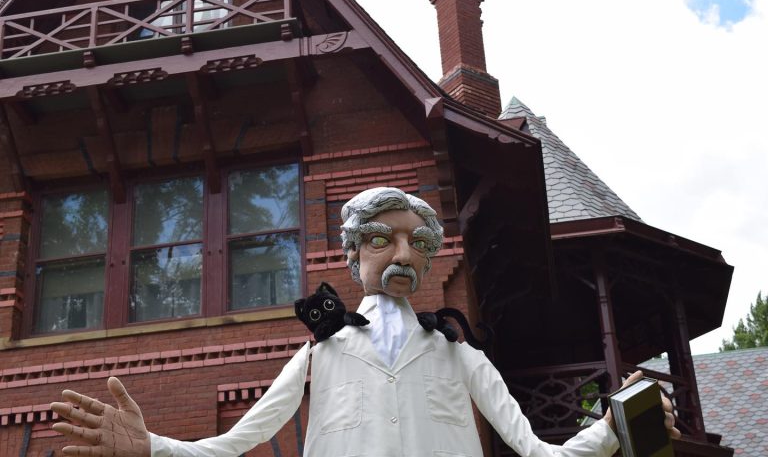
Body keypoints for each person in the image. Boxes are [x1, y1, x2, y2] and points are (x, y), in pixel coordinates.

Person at [51, 187, 680, 456]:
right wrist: (154, 446)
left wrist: (614, 428)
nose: (404, 256)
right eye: (383, 240)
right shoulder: (322, 353)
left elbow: (536, 451)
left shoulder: (459, 353)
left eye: (418, 245)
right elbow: (234, 444)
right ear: (353, 253)